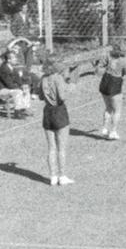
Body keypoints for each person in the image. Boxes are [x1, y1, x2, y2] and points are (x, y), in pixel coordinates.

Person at [39, 54, 77, 186]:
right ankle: (62, 175)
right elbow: (62, 97)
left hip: (47, 111)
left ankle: (52, 176)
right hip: (59, 111)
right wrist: (69, 87)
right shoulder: (58, 78)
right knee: (62, 148)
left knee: (51, 147)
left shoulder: (43, 78)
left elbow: (40, 96)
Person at [96, 41, 126, 140]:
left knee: (108, 107)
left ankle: (104, 129)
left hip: (104, 82)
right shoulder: (125, 61)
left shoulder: (108, 56)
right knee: (117, 110)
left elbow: (99, 68)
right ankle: (113, 131)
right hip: (115, 83)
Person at [0, 50, 32, 118]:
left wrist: (23, 86)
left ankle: (24, 109)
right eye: (14, 58)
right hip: (0, 89)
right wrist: (20, 88)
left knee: (26, 89)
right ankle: (17, 112)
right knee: (18, 92)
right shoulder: (4, 68)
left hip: (7, 88)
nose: (16, 59)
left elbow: (18, 80)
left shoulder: (12, 67)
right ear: (9, 60)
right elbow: (9, 84)